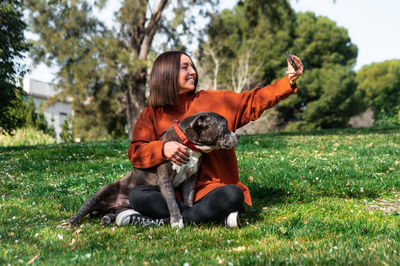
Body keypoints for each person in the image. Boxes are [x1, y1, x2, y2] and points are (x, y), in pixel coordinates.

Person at [116, 50, 303, 227]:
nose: (193, 72)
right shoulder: (151, 114)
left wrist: (288, 81)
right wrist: (162, 149)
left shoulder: (215, 101)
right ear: (166, 74)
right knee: (138, 196)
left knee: (233, 195)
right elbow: (136, 152)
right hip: (170, 195)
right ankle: (210, 216)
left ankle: (168, 220)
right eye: (185, 67)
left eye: (192, 66)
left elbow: (255, 101)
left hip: (211, 191)